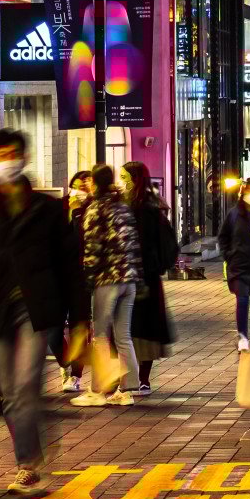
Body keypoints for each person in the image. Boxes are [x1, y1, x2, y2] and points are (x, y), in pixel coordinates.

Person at [0, 128, 73, 496]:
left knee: (24, 387)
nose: (5, 161)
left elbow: (70, 264)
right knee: (9, 394)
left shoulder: (48, 209)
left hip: (34, 309)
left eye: (11, 154)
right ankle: (36, 448)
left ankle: (28, 465)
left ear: (23, 157)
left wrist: (80, 321)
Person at [70, 164, 142, 407]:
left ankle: (97, 390)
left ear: (96, 183)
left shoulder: (95, 209)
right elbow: (133, 245)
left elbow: (92, 249)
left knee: (100, 336)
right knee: (124, 336)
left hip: (106, 280)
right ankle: (128, 390)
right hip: (128, 279)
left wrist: (88, 278)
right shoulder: (123, 207)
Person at [124, 160, 180, 396]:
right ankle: (138, 378)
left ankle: (141, 378)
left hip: (142, 276)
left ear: (135, 179)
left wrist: (153, 266)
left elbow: (160, 244)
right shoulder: (147, 205)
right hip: (139, 275)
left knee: (139, 327)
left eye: (125, 177)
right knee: (134, 327)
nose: (122, 182)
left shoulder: (144, 208)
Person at [219, 178, 250, 349]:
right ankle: (242, 337)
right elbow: (224, 236)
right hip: (239, 265)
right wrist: (229, 255)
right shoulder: (235, 214)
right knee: (242, 300)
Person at [60, 169, 96, 394]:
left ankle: (75, 374)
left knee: (79, 326)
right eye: (78, 183)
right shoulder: (61, 206)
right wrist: (70, 213)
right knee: (53, 328)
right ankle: (65, 362)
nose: (82, 187)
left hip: (82, 277)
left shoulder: (95, 208)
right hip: (59, 274)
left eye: (87, 184)